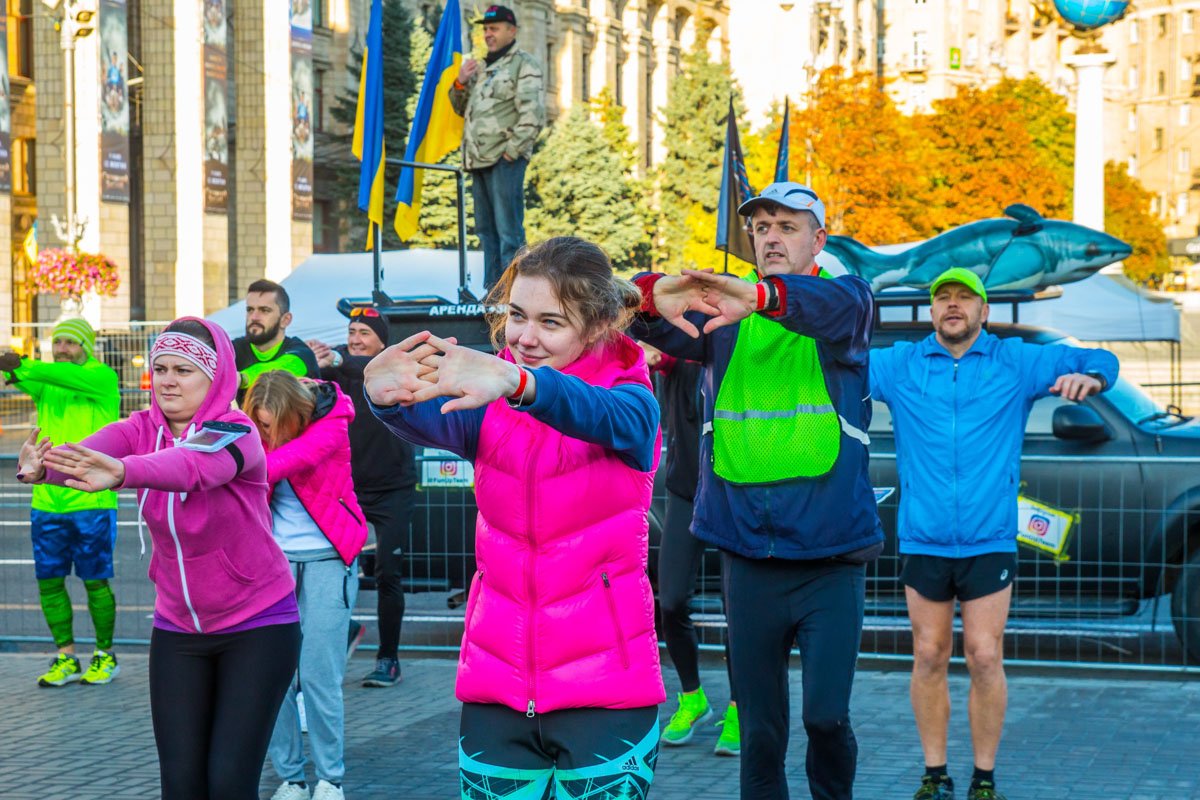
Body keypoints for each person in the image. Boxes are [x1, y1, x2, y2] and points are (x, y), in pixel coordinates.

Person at [363, 236, 665, 797]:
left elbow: (607, 415)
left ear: (597, 326)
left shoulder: (630, 400)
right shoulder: (491, 393)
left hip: (605, 691)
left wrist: (521, 384)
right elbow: (429, 415)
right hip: (496, 687)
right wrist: (383, 394)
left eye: (551, 322)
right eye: (517, 316)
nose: (525, 338)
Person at [630, 181, 882, 800]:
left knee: (825, 719)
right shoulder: (723, 318)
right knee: (762, 734)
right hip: (748, 557)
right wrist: (649, 292)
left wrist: (761, 296)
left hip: (830, 559)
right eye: (762, 227)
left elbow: (833, 308)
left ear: (818, 240)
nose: (770, 236)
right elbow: (643, 318)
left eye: (787, 226)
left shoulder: (844, 302)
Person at [18, 317, 301, 800]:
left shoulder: (237, 432)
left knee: (228, 784)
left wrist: (124, 471)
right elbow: (90, 460)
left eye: (184, 370)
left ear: (215, 378)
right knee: (182, 787)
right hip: (178, 629)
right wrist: (43, 468)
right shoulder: (139, 428)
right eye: (161, 368)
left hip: (257, 625)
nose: (167, 380)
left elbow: (191, 467)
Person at [869, 268, 1119, 800]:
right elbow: (835, 366)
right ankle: (934, 775)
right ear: (931, 311)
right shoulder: (900, 366)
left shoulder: (1016, 360)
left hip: (989, 539)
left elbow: (1100, 359)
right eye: (943, 298)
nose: (952, 305)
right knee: (929, 655)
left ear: (984, 311)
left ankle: (984, 778)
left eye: (964, 298)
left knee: (984, 655)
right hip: (923, 537)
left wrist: (1092, 379)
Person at [245, 372, 368, 800]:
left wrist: (232, 462)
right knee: (275, 676)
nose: (266, 434)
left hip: (328, 559)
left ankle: (330, 779)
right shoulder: (259, 432)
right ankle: (292, 778)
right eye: (259, 425)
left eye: (272, 424)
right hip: (274, 563)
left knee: (318, 675)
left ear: (296, 415)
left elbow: (281, 463)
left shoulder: (332, 421)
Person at [0, 318, 122, 687]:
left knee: (95, 582)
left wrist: (20, 363)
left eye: (71, 342)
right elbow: (23, 375)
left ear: (86, 345)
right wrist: (11, 367)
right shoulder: (48, 382)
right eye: (59, 342)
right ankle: (65, 657)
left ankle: (105, 654)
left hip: (92, 499)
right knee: (49, 583)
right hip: (47, 501)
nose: (64, 349)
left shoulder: (102, 378)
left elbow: (38, 371)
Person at [308, 308, 418, 688]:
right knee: (330, 568)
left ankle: (389, 659)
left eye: (364, 333)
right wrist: (311, 360)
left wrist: (339, 358)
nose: (355, 338)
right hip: (348, 490)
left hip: (393, 488)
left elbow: (364, 368)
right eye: (351, 331)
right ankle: (346, 631)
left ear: (382, 342)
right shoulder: (337, 364)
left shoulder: (389, 365)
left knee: (388, 571)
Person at [640, 342, 740, 755]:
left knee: (740, 609)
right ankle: (692, 697)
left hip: (737, 494)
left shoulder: (735, 350)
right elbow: (653, 353)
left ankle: (739, 708)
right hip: (685, 493)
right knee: (672, 601)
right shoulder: (677, 359)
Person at [448, 4, 546, 290]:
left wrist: (511, 152)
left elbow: (533, 114)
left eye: (494, 28)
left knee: (509, 234)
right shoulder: (481, 67)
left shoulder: (523, 64)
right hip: (478, 160)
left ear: (511, 31)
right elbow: (461, 109)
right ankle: (492, 293)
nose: (488, 34)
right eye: (485, 29)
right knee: (486, 232)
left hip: (505, 159)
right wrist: (461, 82)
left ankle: (514, 295)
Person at [232, 278, 320, 402]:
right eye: (250, 309)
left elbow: (279, 371)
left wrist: (240, 379)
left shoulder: (302, 353)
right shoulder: (233, 349)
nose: (254, 317)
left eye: (264, 310)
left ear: (285, 320)